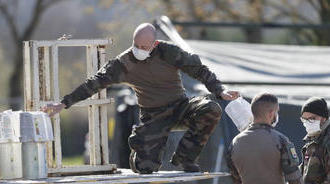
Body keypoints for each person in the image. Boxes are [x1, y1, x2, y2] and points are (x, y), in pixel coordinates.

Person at [42, 23, 239, 174]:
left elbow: (199, 70)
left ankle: (185, 158)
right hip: (154, 115)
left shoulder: (169, 52)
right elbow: (94, 83)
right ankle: (139, 144)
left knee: (211, 109)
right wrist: (64, 103)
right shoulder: (124, 63)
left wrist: (219, 90)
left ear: (155, 44)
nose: (139, 50)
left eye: (144, 46)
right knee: (146, 169)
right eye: (136, 45)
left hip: (180, 106)